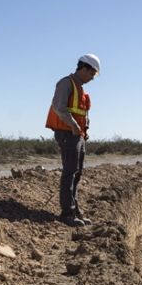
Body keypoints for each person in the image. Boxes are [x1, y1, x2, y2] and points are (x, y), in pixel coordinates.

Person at [45, 54, 100, 227]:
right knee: (70, 172)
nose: (92, 78)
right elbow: (59, 107)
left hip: (78, 135)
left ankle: (75, 210)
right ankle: (67, 214)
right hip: (67, 133)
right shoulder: (66, 83)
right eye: (92, 74)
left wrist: (84, 129)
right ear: (84, 68)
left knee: (77, 172)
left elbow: (82, 113)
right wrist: (74, 125)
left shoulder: (81, 89)